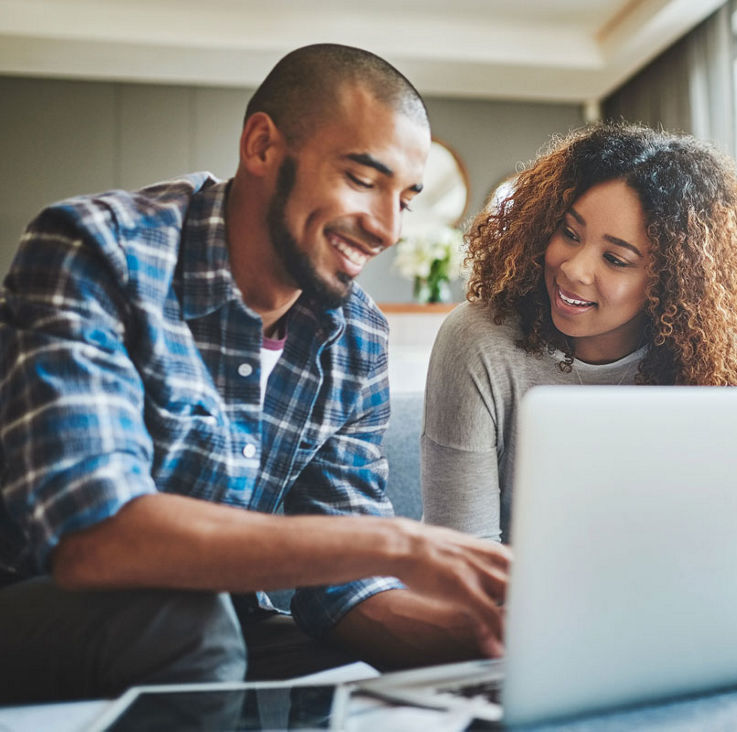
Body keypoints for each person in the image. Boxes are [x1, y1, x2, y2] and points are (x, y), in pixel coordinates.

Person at [0, 43, 510, 704]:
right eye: (362, 179)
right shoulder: (96, 250)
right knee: (193, 625)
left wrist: (490, 637)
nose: (387, 229)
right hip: (37, 602)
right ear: (263, 146)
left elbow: (343, 593)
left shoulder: (355, 336)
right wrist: (397, 543)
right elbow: (95, 538)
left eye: (405, 199)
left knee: (358, 678)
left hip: (215, 625)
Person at [421, 123, 737, 542]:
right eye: (570, 233)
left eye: (615, 259)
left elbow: (727, 534)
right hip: (509, 599)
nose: (574, 269)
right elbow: (460, 555)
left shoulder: (710, 362)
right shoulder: (479, 340)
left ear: (671, 281)